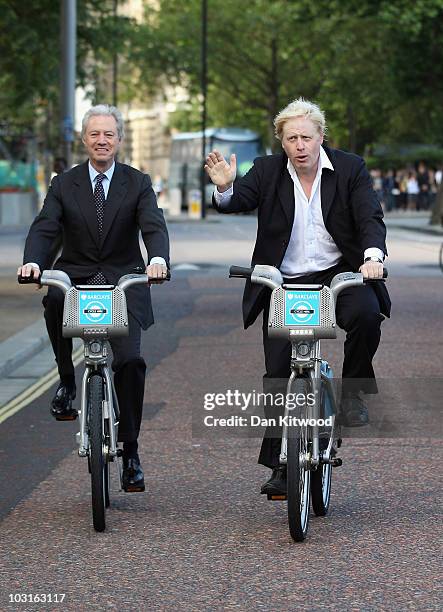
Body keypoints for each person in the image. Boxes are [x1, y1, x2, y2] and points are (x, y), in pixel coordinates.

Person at [205, 98, 390, 496]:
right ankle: (279, 466)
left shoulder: (350, 168)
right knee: (277, 373)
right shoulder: (268, 170)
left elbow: (369, 216)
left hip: (337, 273)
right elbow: (237, 201)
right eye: (292, 138)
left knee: (367, 314)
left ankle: (354, 393)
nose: (300, 145)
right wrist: (224, 186)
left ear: (321, 137)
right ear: (282, 141)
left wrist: (372, 258)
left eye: (307, 137)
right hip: (283, 280)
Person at [18, 104, 170, 493]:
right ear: (84, 139)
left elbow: (153, 225)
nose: (102, 141)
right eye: (94, 134)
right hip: (78, 277)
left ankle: (131, 452)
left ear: (119, 139)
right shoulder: (63, 184)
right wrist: (33, 263)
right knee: (53, 297)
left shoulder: (137, 182)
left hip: (124, 282)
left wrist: (156, 259)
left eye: (109, 134)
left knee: (131, 361)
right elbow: (45, 227)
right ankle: (67, 382)